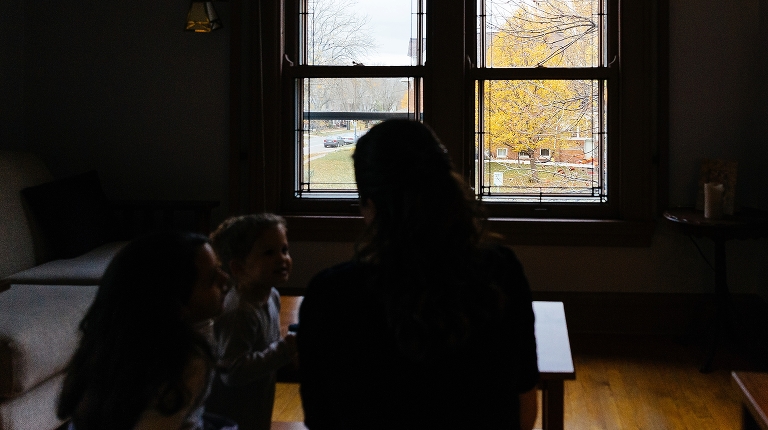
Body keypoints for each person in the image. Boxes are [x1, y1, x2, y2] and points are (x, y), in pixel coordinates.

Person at [298, 119, 540, 430]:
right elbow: (523, 408)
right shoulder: (500, 271)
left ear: (370, 205)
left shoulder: (331, 296)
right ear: (449, 188)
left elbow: (321, 419)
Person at [57, 231, 231, 430]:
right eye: (211, 279)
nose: (226, 279)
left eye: (219, 268)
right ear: (174, 304)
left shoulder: (111, 342)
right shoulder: (187, 360)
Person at [205, 214, 298, 430]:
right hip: (230, 415)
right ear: (238, 267)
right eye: (269, 253)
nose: (282, 258)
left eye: (284, 250)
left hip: (255, 406)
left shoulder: (272, 295)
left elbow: (265, 350)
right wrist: (284, 351)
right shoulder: (239, 312)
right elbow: (233, 372)